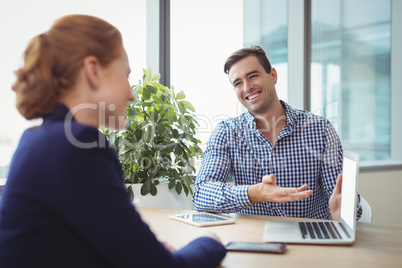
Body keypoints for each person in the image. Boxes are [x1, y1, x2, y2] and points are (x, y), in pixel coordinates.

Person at [0, 15, 226, 267]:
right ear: (93, 70)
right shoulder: (77, 144)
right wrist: (211, 242)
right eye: (126, 75)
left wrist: (144, 250)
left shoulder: (37, 138)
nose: (131, 94)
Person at [193, 45, 362, 221]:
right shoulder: (226, 133)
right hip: (252, 240)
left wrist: (342, 212)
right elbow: (201, 194)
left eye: (253, 76)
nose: (247, 87)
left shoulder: (321, 129)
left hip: (308, 237)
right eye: (238, 83)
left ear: (273, 76)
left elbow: (345, 201)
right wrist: (256, 193)